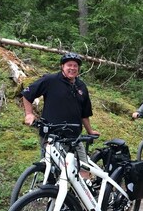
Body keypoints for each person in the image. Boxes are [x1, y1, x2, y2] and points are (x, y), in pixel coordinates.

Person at [21, 52, 100, 180]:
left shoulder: (81, 86)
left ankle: (82, 196)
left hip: (74, 137)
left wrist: (90, 130)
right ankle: (52, 196)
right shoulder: (50, 80)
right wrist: (29, 114)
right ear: (62, 66)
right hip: (52, 136)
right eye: (69, 65)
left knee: (83, 168)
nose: (72, 68)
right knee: (53, 170)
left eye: (75, 66)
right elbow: (27, 94)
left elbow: (84, 114)